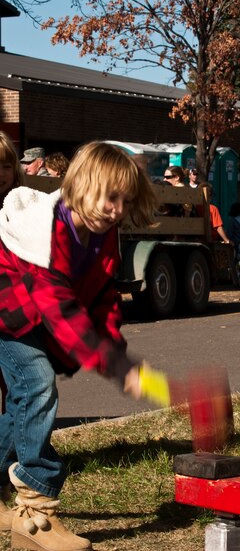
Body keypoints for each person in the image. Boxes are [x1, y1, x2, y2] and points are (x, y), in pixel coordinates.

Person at [0, 141, 172, 551]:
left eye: (124, 201)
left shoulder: (103, 234)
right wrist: (113, 365)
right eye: (110, 197)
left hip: (36, 318)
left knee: (22, 407)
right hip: (8, 315)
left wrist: (116, 351)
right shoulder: (45, 231)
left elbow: (103, 298)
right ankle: (36, 510)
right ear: (81, 185)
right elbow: (58, 307)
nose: (116, 210)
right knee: (38, 383)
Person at [0, 132, 24, 413]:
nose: (2, 173)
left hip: (14, 306)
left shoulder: (19, 204)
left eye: (7, 166)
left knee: (15, 382)